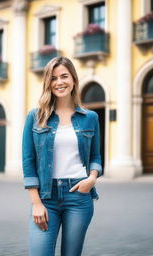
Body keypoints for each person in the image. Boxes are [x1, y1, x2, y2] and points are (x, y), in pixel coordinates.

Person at [22, 56, 102, 256]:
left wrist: (91, 178)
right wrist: (36, 203)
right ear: (48, 83)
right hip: (46, 196)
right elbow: (28, 161)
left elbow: (96, 156)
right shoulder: (36, 116)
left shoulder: (90, 118)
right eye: (54, 78)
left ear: (73, 79)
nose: (59, 82)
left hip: (79, 195)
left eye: (64, 76)